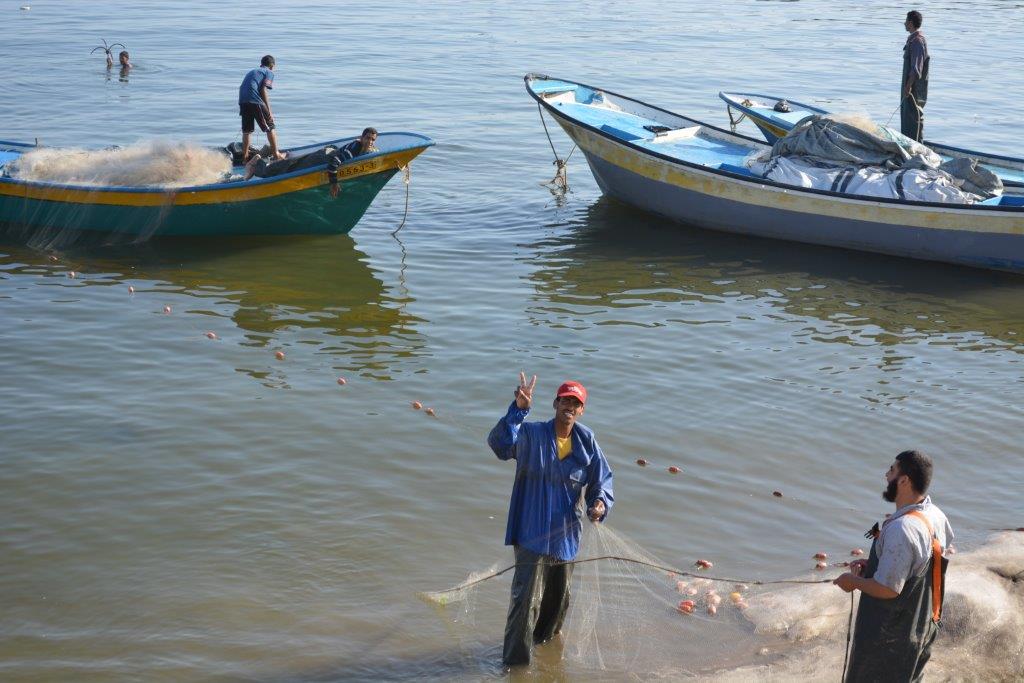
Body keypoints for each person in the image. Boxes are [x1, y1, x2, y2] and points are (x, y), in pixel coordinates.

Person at [487, 373, 614, 668]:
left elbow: (602, 479)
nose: (569, 406)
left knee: (558, 602)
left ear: (581, 409)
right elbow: (499, 445)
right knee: (524, 602)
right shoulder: (531, 434)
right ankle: (516, 666)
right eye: (565, 400)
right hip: (530, 531)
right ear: (555, 403)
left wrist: (599, 503)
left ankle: (543, 653)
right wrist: (518, 409)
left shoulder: (586, 440)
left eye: (575, 402)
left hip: (565, 535)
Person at [834, 450, 953, 682]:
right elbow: (921, 563)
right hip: (922, 627)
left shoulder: (902, 529)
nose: (886, 475)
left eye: (891, 470)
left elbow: (889, 589)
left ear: (904, 480)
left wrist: (853, 582)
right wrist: (874, 565)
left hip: (890, 639)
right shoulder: (935, 515)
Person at [245, 128, 379, 186]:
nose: (370, 142)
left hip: (329, 152)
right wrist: (334, 184)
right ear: (362, 138)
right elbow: (334, 163)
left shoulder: (368, 147)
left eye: (373, 139)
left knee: (292, 163)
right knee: (290, 169)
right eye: (367, 138)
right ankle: (258, 164)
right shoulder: (355, 148)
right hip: (323, 158)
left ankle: (272, 157)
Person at [238, 55, 285, 164]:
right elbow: (263, 89)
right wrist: (269, 110)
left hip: (243, 99)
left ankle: (245, 159)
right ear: (272, 66)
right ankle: (276, 154)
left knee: (247, 131)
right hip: (254, 99)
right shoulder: (268, 72)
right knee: (270, 126)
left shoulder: (253, 71)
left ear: (261, 64)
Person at [901, 10, 930, 142]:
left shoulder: (917, 41)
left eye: (906, 21)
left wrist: (908, 87)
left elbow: (916, 69)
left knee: (913, 119)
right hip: (909, 88)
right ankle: (909, 146)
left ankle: (917, 149)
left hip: (913, 89)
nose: (904, 23)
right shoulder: (912, 39)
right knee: (907, 118)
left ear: (911, 23)